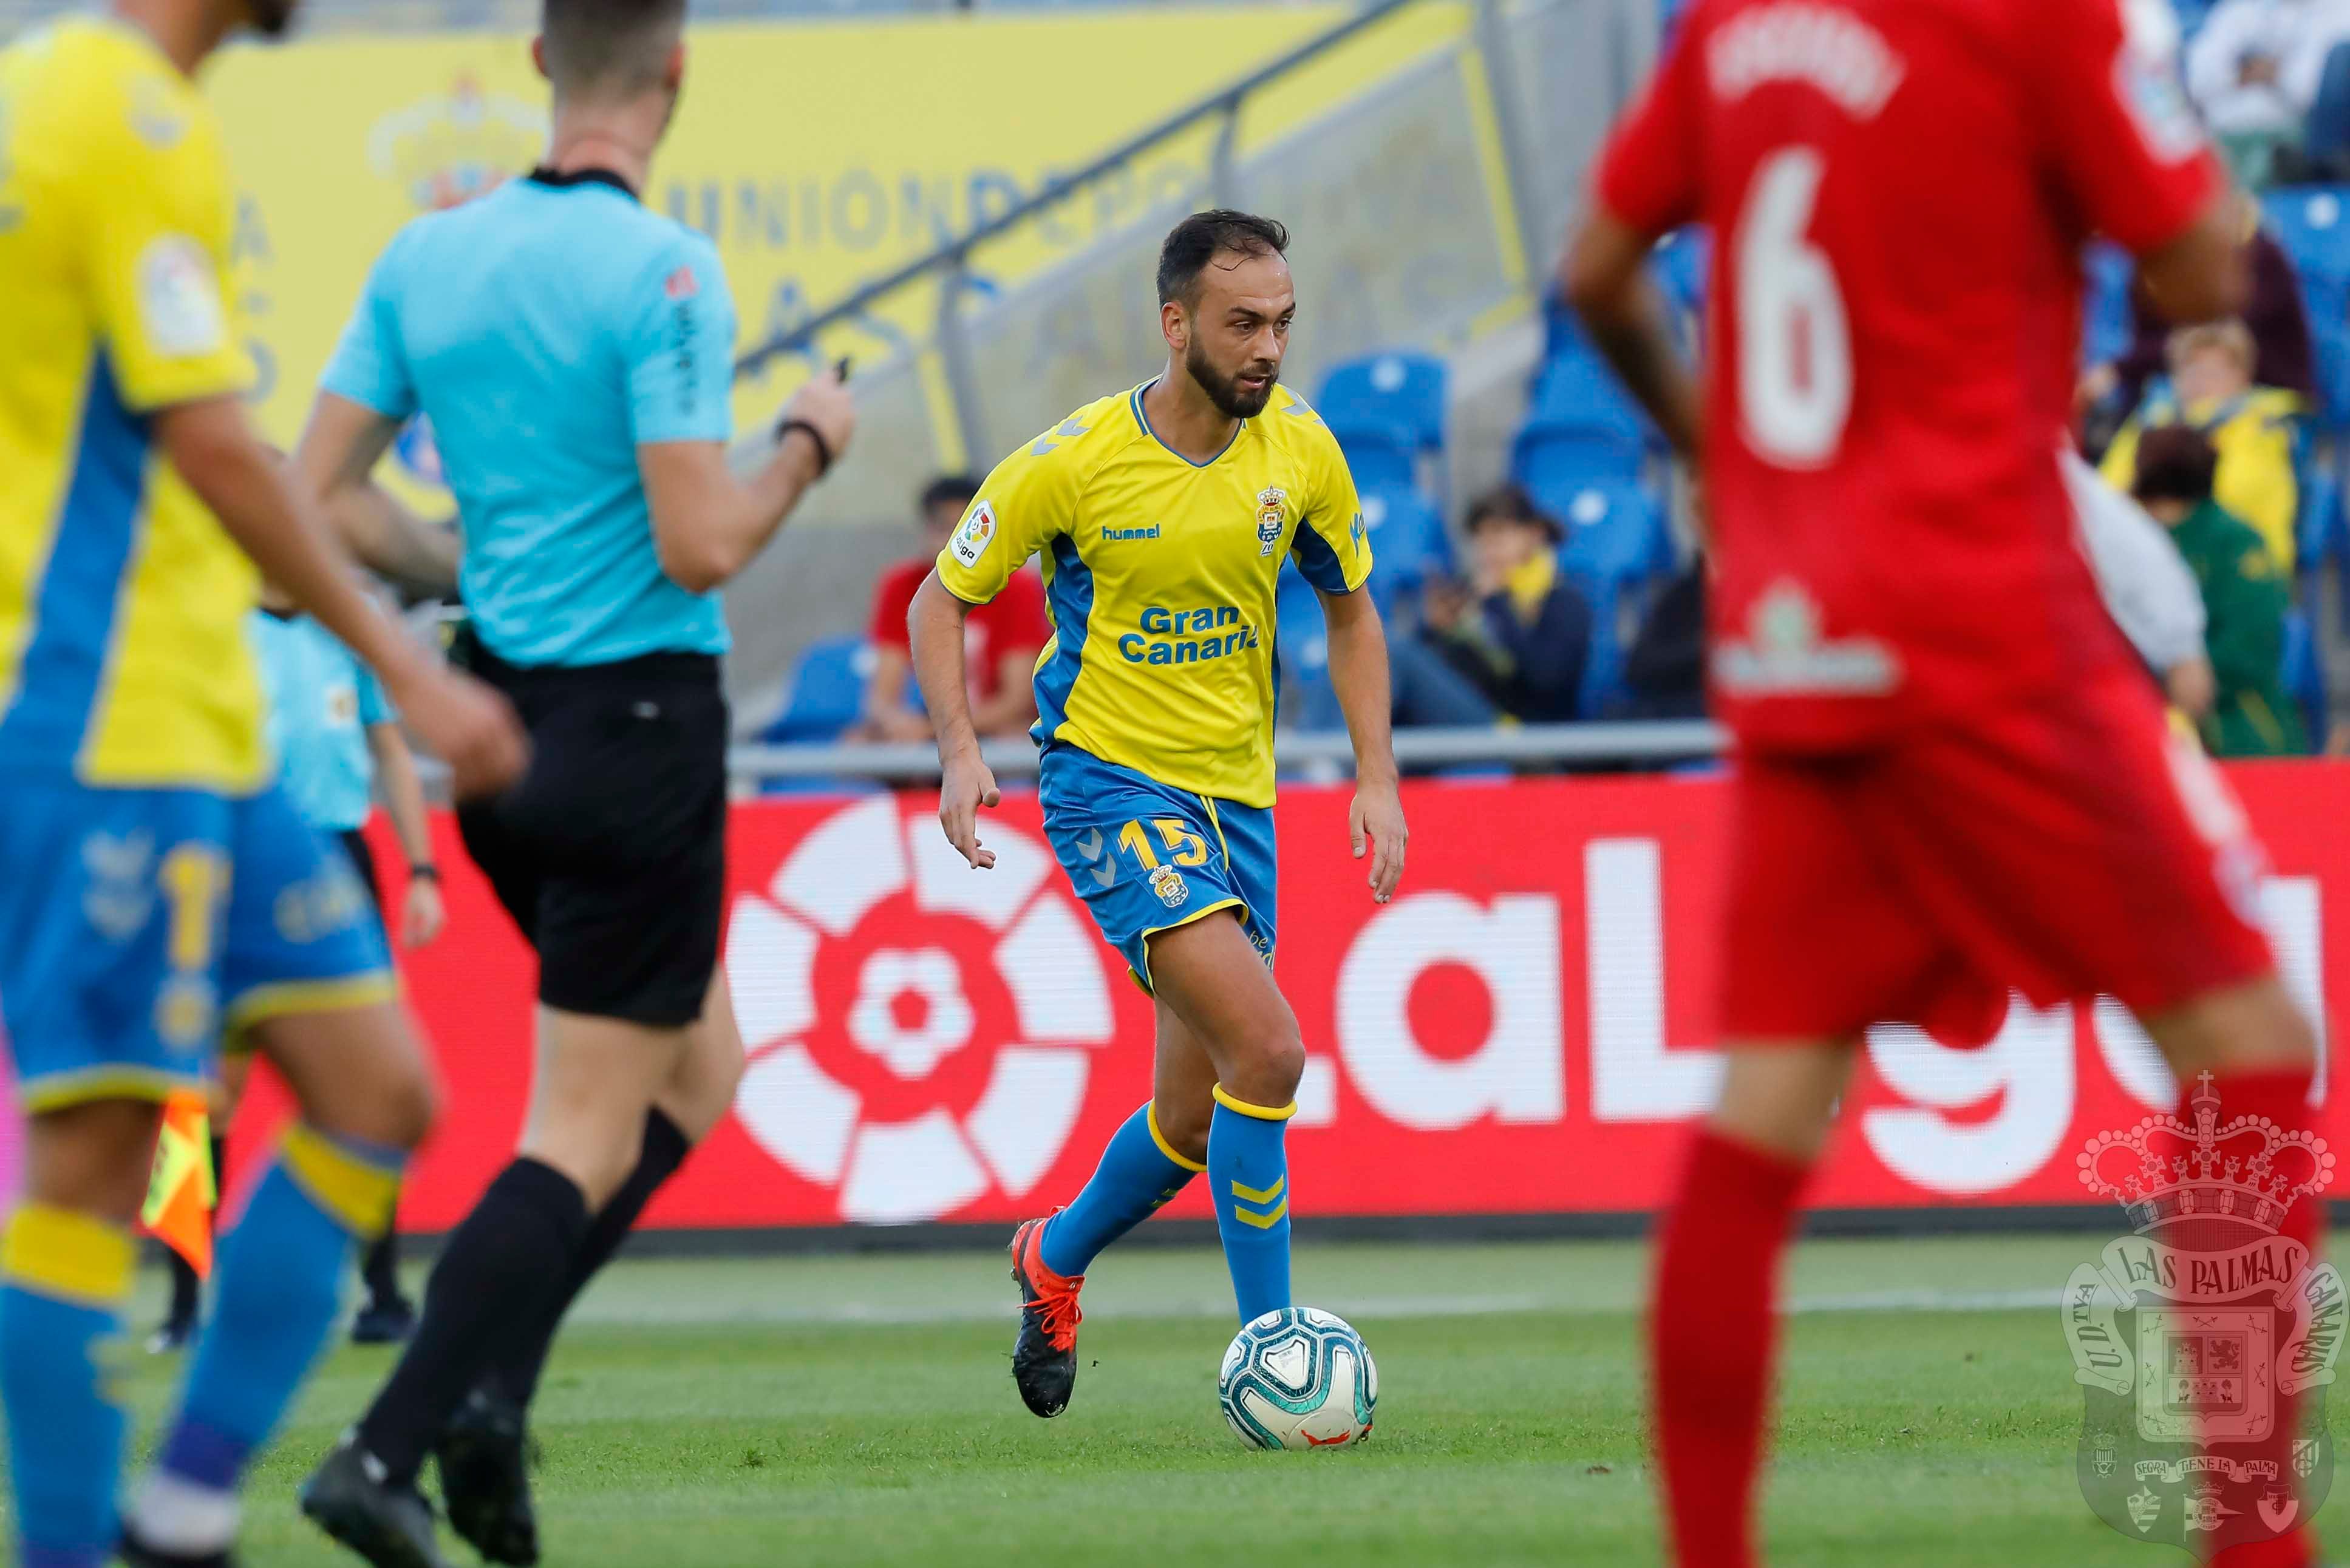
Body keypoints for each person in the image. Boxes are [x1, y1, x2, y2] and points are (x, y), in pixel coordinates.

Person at [1565, 2, 2321, 1567]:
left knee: (1761, 1107)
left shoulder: (1726, 22)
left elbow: (1591, 272)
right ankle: (2252, 1541)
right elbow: (2194, 269)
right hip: (1983, 619)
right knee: (2249, 1046)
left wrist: (1732, 459)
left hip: (1798, 633)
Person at [288, 0, 856, 1558]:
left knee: (702, 1069)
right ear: (673, 71)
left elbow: (317, 499)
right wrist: (806, 439)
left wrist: (448, 568)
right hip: (639, 738)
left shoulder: (427, 257)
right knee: (586, 1131)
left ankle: (486, 1402)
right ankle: (387, 1447)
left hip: (495, 733)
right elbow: (702, 542)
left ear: (541, 66)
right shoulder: (664, 269)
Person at [0, 0, 526, 1562]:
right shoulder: (124, 121)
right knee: (98, 1159)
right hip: (105, 721)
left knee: (382, 1092)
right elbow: (225, 451)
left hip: (206, 726)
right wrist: (412, 663)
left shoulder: (107, 105)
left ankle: (181, 1508)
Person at [910, 210, 1406, 1421]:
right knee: (1272, 1050)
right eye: (1244, 324)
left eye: (1283, 323)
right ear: (1176, 323)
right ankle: (1276, 1348)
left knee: (1190, 1118)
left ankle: (1053, 1257)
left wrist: (1376, 772)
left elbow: (1351, 611)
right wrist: (962, 748)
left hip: (1238, 800)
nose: (1268, 349)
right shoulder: (1073, 463)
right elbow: (942, 596)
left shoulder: (1302, 451)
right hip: (1109, 784)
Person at [148, 583, 452, 1356]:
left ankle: (384, 1293)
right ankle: (183, 1301)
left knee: (375, 1089)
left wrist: (423, 870)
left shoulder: (347, 623)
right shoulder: (211, 623)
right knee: (202, 1094)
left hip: (341, 862)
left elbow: (390, 752)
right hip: (238, 857)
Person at [2131, 426, 2310, 756]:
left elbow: (2250, 644)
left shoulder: (2234, 541)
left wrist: (2176, 679)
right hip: (2142, 716)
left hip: (2237, 720)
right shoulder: (2128, 540)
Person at [2101, 318, 2304, 571]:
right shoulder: (2153, 419)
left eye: (2214, 372)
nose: (2201, 382)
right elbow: (2110, 487)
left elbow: (2230, 497)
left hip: (2239, 567)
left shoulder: (2260, 428)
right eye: (2191, 370)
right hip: (2153, 556)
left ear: (2242, 376)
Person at [856, 474, 1046, 742]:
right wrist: (901, 724)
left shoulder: (1017, 586)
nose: (955, 543)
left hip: (992, 730)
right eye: (943, 528)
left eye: (965, 529)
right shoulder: (900, 584)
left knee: (1017, 740)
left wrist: (937, 730)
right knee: (858, 742)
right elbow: (881, 698)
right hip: (929, 730)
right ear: (925, 531)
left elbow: (1017, 701)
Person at [1393, 484, 1590, 727]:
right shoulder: (1472, 599)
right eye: (1481, 540)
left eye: (1498, 536)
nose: (1488, 552)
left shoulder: (1564, 602)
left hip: (1524, 734)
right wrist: (1435, 630)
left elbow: (1545, 680)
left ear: (1535, 534)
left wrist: (1498, 603)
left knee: (1394, 654)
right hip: (1475, 722)